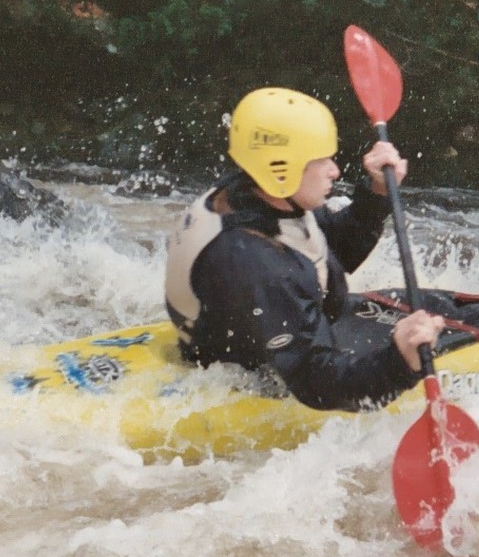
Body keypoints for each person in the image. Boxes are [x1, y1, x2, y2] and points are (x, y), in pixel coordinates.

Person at [164, 86, 446, 411]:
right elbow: (313, 383)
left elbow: (324, 253)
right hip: (260, 373)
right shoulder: (253, 262)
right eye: (322, 160)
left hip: (274, 328)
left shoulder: (255, 194)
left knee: (459, 313)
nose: (335, 170)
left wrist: (377, 192)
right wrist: (400, 362)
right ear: (281, 167)